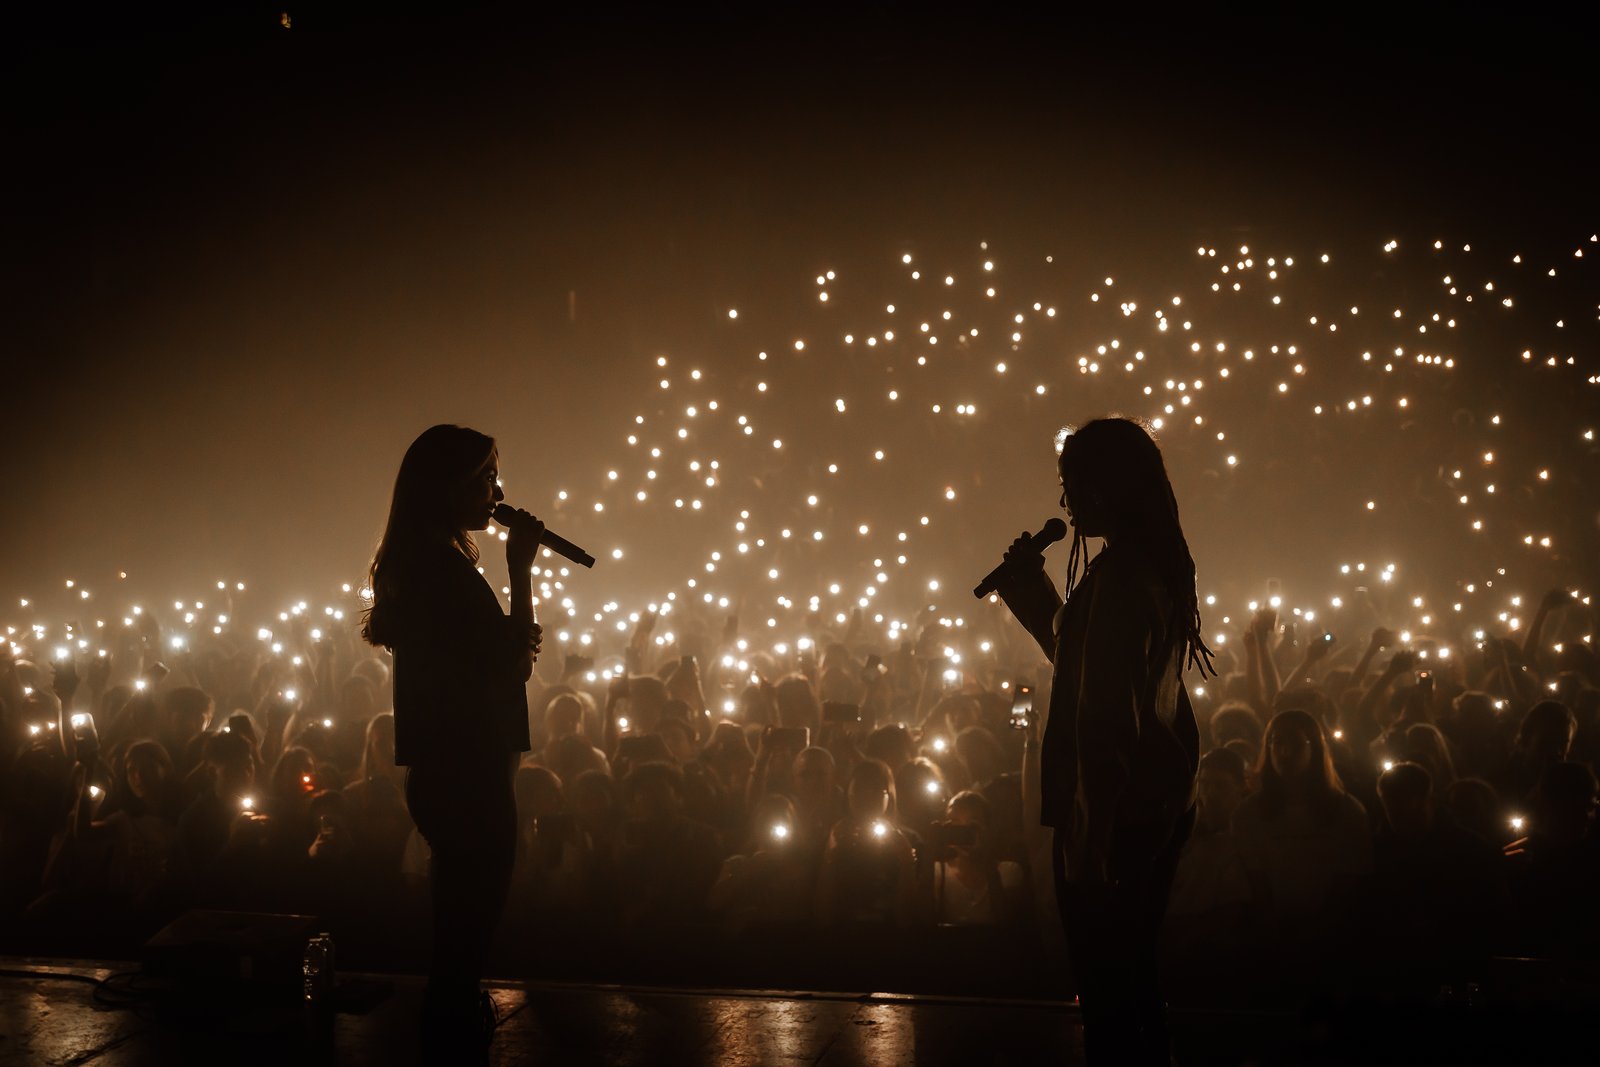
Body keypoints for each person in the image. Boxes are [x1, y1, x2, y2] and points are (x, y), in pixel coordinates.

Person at [993, 416, 1212, 1066]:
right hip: (1148, 801)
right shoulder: (1143, 569)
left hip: (1116, 812)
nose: (1066, 502)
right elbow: (1084, 658)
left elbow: (1106, 719)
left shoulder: (1121, 580)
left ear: (1108, 485)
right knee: (1132, 975)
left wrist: (1089, 836)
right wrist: (1029, 590)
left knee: (1110, 990)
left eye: (1074, 483)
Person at [360, 424, 544, 1056]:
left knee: (457, 938)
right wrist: (519, 571)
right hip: (471, 774)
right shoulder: (441, 572)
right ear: (448, 485)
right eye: (486, 477)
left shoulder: (424, 564)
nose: (498, 492)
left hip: (451, 771)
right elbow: (511, 665)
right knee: (465, 944)